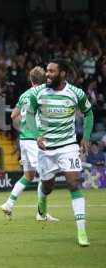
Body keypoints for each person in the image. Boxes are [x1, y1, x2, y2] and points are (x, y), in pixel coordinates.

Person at [28, 59, 93, 247]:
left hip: (68, 146)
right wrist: (36, 135)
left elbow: (88, 113)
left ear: (63, 73)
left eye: (51, 71)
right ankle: (42, 200)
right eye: (46, 71)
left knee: (73, 183)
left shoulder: (76, 93)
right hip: (46, 149)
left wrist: (86, 137)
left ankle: (82, 231)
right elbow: (30, 114)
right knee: (48, 186)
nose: (47, 74)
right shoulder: (37, 93)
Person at [1, 67, 58, 221]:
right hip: (34, 140)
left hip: (24, 140)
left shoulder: (25, 94)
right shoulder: (42, 93)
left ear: (31, 80)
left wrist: (25, 124)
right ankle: (41, 213)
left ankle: (9, 204)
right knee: (45, 175)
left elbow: (13, 115)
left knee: (29, 175)